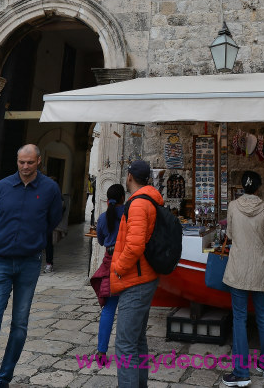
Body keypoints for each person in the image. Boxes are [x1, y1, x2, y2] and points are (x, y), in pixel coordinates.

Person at [0, 144, 62, 388]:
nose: (25, 167)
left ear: (39, 161)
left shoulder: (50, 189)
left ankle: (4, 379)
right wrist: (4, 240)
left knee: (19, 324)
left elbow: (52, 220)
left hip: (29, 263)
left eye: (30, 162)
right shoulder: (1, 187)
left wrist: (32, 241)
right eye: (21, 162)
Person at [222, 171, 264, 386]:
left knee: (239, 318)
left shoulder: (233, 207)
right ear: (258, 188)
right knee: (263, 317)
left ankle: (240, 371)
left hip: (238, 267)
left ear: (242, 187)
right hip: (259, 268)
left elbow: (229, 234)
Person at [110, 159, 164, 388]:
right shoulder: (147, 200)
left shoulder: (139, 204)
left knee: (124, 345)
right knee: (136, 340)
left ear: (129, 176)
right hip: (143, 276)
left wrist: (118, 268)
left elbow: (134, 246)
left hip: (136, 279)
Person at [90, 183, 126, 361]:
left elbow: (101, 240)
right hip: (129, 263)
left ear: (107, 199)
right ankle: (127, 349)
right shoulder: (129, 214)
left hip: (110, 263)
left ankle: (101, 351)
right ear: (123, 198)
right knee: (129, 310)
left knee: (109, 308)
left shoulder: (104, 218)